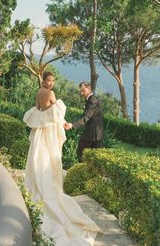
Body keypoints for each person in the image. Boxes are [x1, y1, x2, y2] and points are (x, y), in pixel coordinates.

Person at [23, 71, 100, 246]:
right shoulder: (50, 94)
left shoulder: (38, 93)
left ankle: (38, 186)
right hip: (48, 131)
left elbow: (38, 111)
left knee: (38, 157)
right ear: (44, 80)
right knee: (51, 158)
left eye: (52, 81)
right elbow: (56, 115)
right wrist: (65, 123)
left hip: (40, 131)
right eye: (49, 80)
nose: (51, 83)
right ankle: (48, 188)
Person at [64, 81, 104, 162]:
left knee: (81, 152)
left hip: (92, 133)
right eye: (80, 91)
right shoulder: (91, 100)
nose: (81, 93)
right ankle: (90, 173)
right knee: (96, 157)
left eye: (83, 91)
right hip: (96, 133)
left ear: (89, 89)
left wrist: (72, 125)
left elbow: (86, 117)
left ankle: (82, 171)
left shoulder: (92, 101)